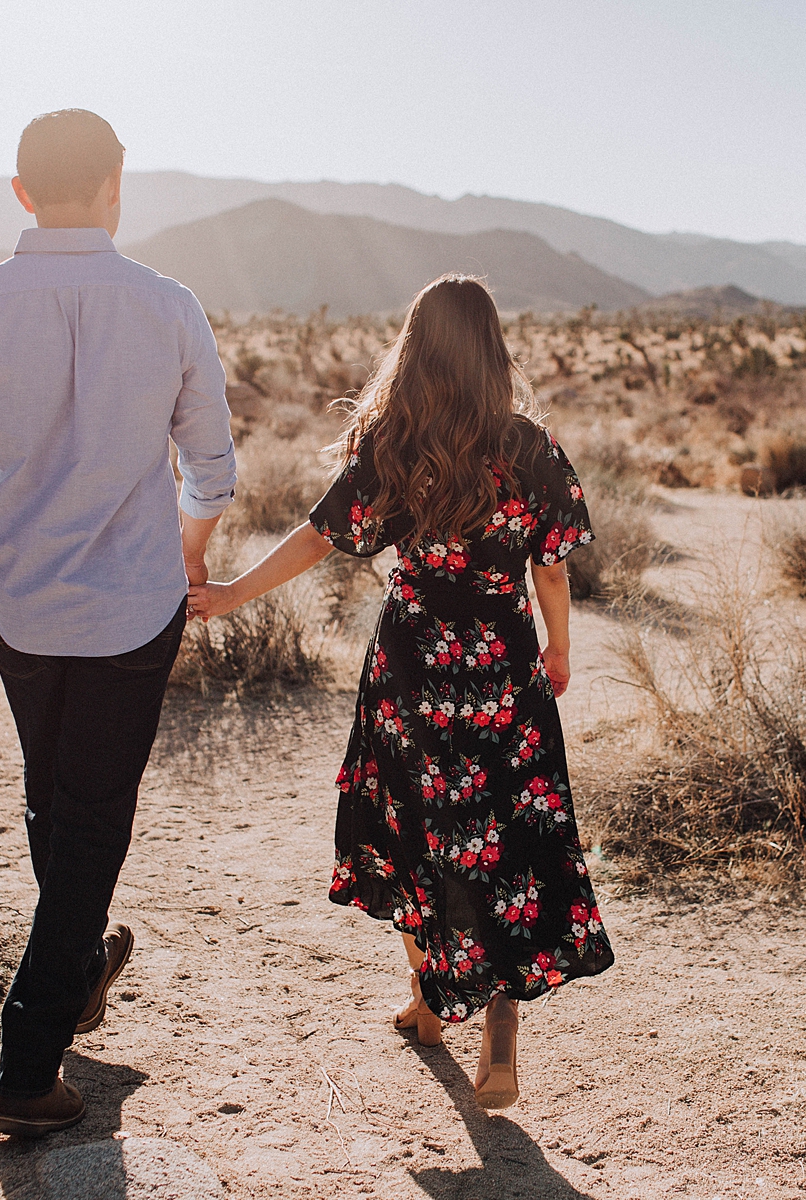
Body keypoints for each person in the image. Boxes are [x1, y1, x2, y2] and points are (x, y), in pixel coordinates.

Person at [188, 274, 614, 1110]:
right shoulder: (531, 448)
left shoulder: (394, 442)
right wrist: (559, 650)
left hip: (413, 662)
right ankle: (493, 1025)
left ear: (414, 351)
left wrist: (234, 592)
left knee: (412, 820)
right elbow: (553, 566)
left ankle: (427, 996)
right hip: (502, 666)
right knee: (502, 835)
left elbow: (320, 537)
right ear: (495, 352)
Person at [0, 109, 236, 1137]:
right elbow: (213, 467)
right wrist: (187, 553)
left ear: (17, 192)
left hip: (24, 604)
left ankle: (81, 965)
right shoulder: (170, 305)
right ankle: (28, 1066)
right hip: (136, 607)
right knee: (90, 819)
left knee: (56, 798)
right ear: (116, 185)